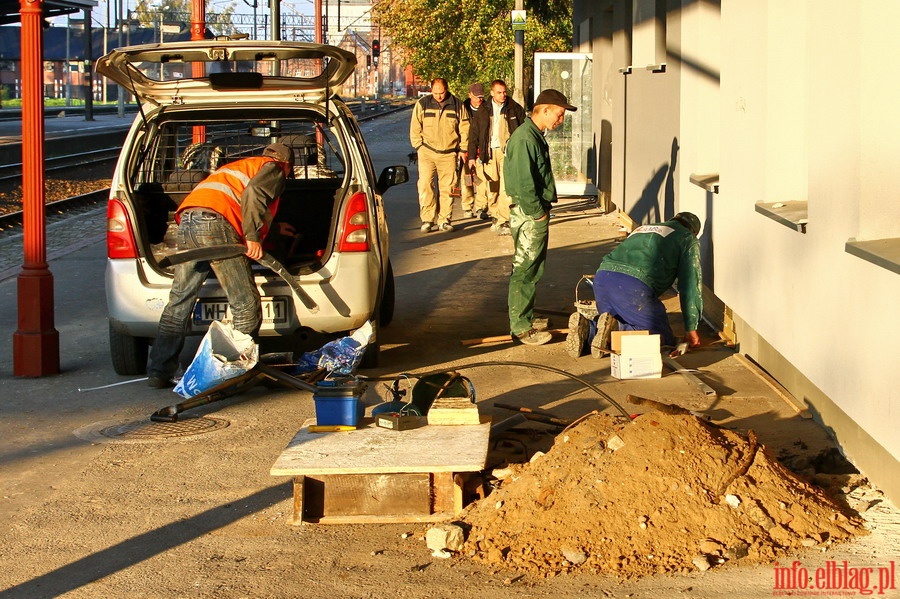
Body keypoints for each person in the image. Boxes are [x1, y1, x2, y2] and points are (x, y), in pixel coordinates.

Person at [146, 143, 297, 388]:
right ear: (288, 165)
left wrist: (275, 229)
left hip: (188, 220)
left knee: (179, 301)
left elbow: (234, 199)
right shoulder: (275, 168)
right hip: (216, 224)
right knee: (245, 304)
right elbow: (254, 194)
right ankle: (236, 374)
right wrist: (252, 237)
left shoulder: (240, 167)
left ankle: (159, 371)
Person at [570, 212, 703, 358]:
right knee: (659, 338)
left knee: (615, 324)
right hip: (632, 286)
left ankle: (589, 329)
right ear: (694, 232)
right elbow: (690, 284)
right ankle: (617, 329)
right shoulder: (687, 238)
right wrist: (691, 328)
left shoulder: (645, 228)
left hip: (602, 278)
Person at [504, 89, 576, 345]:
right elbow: (525, 183)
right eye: (559, 114)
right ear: (544, 109)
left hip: (531, 211)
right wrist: (538, 214)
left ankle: (525, 316)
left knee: (532, 267)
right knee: (525, 268)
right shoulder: (525, 138)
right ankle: (521, 327)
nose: (561, 120)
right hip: (529, 213)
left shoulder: (531, 135)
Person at [409, 78, 470, 233]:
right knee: (425, 186)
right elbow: (415, 126)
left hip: (449, 154)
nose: (439, 96)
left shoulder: (457, 105)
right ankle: (427, 219)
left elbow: (465, 127)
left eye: (441, 92)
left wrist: (463, 148)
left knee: (448, 188)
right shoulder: (422, 104)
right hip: (427, 152)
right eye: (435, 93)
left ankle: (444, 219)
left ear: (447, 89)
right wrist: (419, 146)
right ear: (431, 91)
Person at [467, 79, 527, 236]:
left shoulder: (514, 109)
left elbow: (523, 130)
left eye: (504, 92)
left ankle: (503, 220)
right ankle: (495, 215)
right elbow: (473, 134)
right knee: (492, 187)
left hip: (508, 154)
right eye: (499, 92)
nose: (503, 95)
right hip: (489, 153)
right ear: (492, 93)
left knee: (506, 188)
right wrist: (472, 156)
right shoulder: (484, 110)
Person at [459, 83, 486, 219]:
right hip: (466, 148)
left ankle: (481, 207)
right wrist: (461, 149)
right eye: (476, 97)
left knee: (481, 179)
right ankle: (467, 206)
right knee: (467, 179)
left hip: (481, 148)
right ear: (469, 95)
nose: (479, 100)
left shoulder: (487, 108)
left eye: (481, 97)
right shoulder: (462, 109)